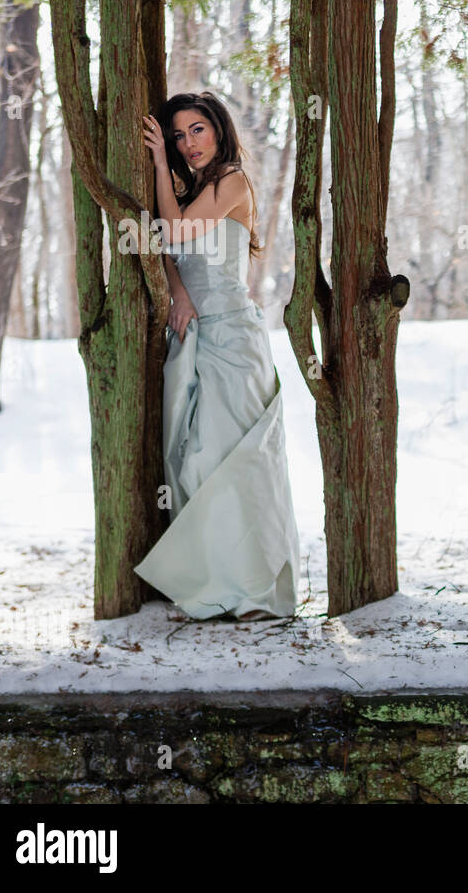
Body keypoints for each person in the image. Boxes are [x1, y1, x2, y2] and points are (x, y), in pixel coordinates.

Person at [134, 91, 299, 622]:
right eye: (178, 136)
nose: (189, 143)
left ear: (219, 130)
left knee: (240, 462)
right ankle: (210, 586)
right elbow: (172, 250)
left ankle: (255, 594)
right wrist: (178, 294)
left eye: (197, 129)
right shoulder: (190, 189)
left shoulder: (232, 181)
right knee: (194, 458)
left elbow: (174, 230)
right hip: (193, 337)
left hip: (234, 339)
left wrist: (159, 162)